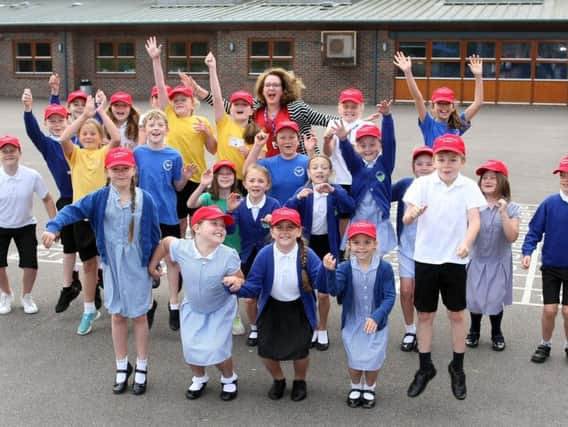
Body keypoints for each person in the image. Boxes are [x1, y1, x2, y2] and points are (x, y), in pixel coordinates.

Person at [42, 148, 161, 395]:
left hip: (137, 266)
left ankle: (141, 365)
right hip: (112, 266)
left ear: (133, 170)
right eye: (115, 168)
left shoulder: (145, 199)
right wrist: (53, 226)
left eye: (125, 168)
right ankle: (121, 365)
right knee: (117, 315)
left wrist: (153, 263)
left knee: (139, 316)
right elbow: (72, 210)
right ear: (107, 171)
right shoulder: (99, 198)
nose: (120, 173)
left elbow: (154, 234)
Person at [402, 134, 485, 400]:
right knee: (425, 315)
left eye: (453, 159)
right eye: (441, 159)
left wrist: (467, 243)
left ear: (462, 160)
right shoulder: (422, 184)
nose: (446, 164)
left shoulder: (470, 187)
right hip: (426, 258)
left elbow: (474, 221)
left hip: (455, 260)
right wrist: (412, 215)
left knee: (457, 314)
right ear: (434, 160)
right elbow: (406, 218)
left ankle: (457, 368)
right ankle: (425, 367)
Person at [223, 208, 325, 402]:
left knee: (300, 351)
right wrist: (234, 287)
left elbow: (321, 283)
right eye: (279, 227)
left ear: (298, 231)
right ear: (272, 231)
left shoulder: (308, 254)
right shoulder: (264, 254)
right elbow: (253, 287)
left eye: (290, 227)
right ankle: (279, 380)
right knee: (266, 351)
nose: (285, 232)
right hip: (272, 308)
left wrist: (327, 271)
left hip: (300, 308)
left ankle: (300, 381)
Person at [147, 206, 242, 401]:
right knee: (191, 349)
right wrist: (152, 264)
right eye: (214, 224)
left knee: (218, 349)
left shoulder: (229, 254)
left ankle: (229, 378)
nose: (220, 228)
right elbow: (165, 243)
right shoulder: (182, 247)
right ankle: (199, 377)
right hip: (193, 307)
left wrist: (237, 281)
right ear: (196, 228)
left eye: (222, 225)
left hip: (220, 308)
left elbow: (239, 276)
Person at [60, 93, 121, 335]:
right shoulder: (75, 154)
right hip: (82, 219)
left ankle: (117, 304)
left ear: (99, 137)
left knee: (110, 263)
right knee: (88, 265)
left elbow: (116, 137)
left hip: (105, 216)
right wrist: (84, 115)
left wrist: (101, 112)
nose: (87, 136)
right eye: (84, 133)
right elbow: (63, 137)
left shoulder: (105, 153)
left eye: (92, 133)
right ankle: (88, 309)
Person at [146, 36, 217, 237]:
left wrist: (207, 133)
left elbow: (213, 149)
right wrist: (156, 60)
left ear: (192, 103)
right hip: (175, 178)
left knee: (198, 222)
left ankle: (195, 255)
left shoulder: (201, 121)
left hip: (197, 178)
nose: (178, 102)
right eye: (175, 100)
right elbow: (160, 87)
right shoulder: (168, 116)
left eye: (183, 99)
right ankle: (178, 255)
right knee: (178, 221)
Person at [322, 221, 396, 409]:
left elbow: (389, 297)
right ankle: (355, 386)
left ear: (375, 244)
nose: (361, 247)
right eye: (356, 243)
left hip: (376, 324)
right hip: (353, 322)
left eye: (366, 242)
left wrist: (377, 316)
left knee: (373, 360)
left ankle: (369, 387)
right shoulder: (345, 267)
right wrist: (329, 272)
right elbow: (334, 290)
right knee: (355, 360)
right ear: (349, 245)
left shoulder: (384, 268)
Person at [22, 88, 83, 313]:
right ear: (47, 123)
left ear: (69, 120)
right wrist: (28, 111)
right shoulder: (48, 145)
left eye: (60, 120)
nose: (57, 124)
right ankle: (69, 285)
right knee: (69, 245)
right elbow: (33, 133)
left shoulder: (79, 139)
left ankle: (94, 286)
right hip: (66, 199)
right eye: (52, 121)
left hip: (85, 197)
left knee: (91, 246)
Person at [285, 154, 355, 350]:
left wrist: (334, 191)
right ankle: (311, 326)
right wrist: (296, 198)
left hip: (327, 245)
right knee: (306, 288)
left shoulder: (335, 190)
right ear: (308, 172)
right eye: (315, 167)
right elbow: (287, 212)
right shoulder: (303, 191)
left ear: (330, 172)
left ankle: (322, 328)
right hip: (307, 245)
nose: (319, 171)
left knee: (323, 293)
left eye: (324, 167)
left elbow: (349, 207)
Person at [134, 109, 194, 330]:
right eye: (151, 125)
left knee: (172, 259)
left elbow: (177, 186)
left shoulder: (174, 156)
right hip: (145, 215)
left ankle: (174, 304)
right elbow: (135, 181)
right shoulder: (138, 153)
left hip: (168, 213)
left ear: (167, 129)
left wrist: (185, 177)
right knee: (147, 260)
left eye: (160, 125)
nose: (156, 128)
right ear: (146, 130)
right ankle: (149, 303)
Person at [188, 67, 338, 156]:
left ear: (284, 89)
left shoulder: (296, 107)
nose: (271, 88)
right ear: (262, 89)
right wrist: (198, 91)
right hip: (266, 167)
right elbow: (228, 107)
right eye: (267, 85)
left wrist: (356, 123)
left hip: (296, 164)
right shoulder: (256, 106)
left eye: (275, 85)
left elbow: (326, 120)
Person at [466, 160, 520, 351]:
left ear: (502, 181)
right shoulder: (473, 205)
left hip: (498, 261)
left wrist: (503, 212)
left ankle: (496, 332)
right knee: (474, 298)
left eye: (492, 178)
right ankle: (474, 330)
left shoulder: (512, 207)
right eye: (484, 178)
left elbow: (512, 236)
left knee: (496, 299)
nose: (487, 181)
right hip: (477, 259)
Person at [187, 160, 245, 335]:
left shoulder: (239, 199)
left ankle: (235, 316)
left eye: (229, 173)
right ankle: (212, 315)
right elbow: (190, 204)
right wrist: (202, 185)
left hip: (234, 246)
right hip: (211, 248)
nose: (225, 177)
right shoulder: (207, 197)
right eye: (221, 173)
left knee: (232, 282)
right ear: (215, 177)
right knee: (212, 282)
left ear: (234, 177)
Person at [0, 136, 56, 315]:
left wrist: (54, 225)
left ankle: (27, 296)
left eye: (12, 150)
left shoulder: (31, 176)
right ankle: (6, 294)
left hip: (25, 225)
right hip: (1, 225)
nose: (9, 154)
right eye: (4, 151)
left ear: (20, 153)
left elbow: (47, 198)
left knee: (30, 264)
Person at [332, 101, 397, 256]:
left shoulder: (385, 164)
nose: (368, 149)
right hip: (359, 219)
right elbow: (347, 153)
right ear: (357, 147)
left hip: (378, 220)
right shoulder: (356, 166)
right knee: (357, 255)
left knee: (377, 256)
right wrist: (343, 140)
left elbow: (390, 143)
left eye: (372, 144)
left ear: (379, 145)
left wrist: (387, 117)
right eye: (363, 145)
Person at [226, 164, 280, 346]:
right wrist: (230, 211)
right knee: (249, 298)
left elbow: (282, 230)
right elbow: (231, 229)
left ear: (268, 185)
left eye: (260, 181)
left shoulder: (273, 204)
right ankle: (255, 327)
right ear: (245, 184)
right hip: (248, 257)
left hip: (270, 256)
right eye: (252, 180)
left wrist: (275, 223)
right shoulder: (239, 205)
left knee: (272, 293)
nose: (256, 184)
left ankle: (271, 326)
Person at [522, 155, 568, 363]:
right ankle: (545, 343)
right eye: (563, 175)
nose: (566, 179)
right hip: (551, 266)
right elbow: (534, 231)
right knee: (550, 310)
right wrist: (527, 252)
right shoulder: (550, 203)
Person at [391, 146, 434, 352]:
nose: (424, 168)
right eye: (419, 164)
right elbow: (382, 195)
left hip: (430, 251)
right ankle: (410, 330)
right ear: (413, 167)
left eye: (429, 164)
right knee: (407, 290)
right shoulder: (405, 185)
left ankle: (424, 328)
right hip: (407, 247)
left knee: (423, 294)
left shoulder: (441, 188)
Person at [393, 52, 483, 148]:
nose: (444, 107)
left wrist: (478, 76)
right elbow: (418, 98)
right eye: (440, 103)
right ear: (433, 108)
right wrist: (408, 72)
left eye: (447, 103)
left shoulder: (457, 124)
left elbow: (478, 103)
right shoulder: (429, 125)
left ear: (453, 107)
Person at [204, 52, 262, 187]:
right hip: (221, 179)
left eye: (244, 105)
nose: (239, 107)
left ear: (251, 111)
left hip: (244, 182)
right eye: (236, 104)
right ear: (230, 109)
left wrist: (249, 154)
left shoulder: (258, 133)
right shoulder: (223, 123)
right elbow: (217, 99)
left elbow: (260, 162)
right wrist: (212, 69)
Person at [243, 120, 311, 205]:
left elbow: (319, 178)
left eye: (291, 137)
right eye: (282, 137)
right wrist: (257, 146)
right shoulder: (268, 164)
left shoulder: (307, 161)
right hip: (274, 214)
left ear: (298, 140)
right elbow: (246, 172)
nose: (287, 141)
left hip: (300, 214)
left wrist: (311, 152)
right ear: (276, 142)